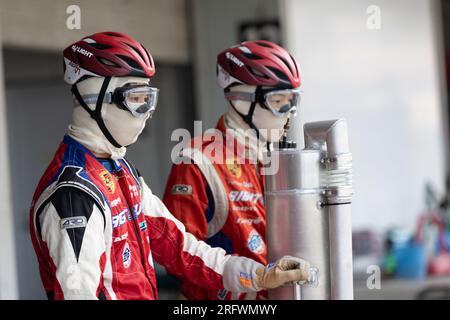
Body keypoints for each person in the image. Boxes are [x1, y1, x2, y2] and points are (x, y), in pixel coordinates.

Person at [29, 32, 310, 300]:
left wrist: (260, 276)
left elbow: (180, 247)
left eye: (149, 100)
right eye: (137, 99)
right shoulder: (73, 194)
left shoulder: (121, 171)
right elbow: (78, 292)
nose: (148, 113)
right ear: (97, 99)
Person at [163, 40, 301, 300]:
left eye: (292, 101)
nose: (288, 113)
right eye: (277, 101)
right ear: (241, 100)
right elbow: (176, 257)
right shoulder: (196, 160)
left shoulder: (284, 159)